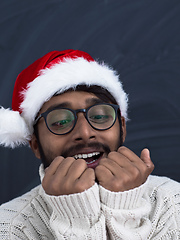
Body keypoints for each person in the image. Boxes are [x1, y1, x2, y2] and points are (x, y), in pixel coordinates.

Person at [0, 49, 179, 240]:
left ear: (122, 128)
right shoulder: (9, 228)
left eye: (100, 116)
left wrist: (125, 208)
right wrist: (78, 218)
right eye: (60, 121)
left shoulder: (173, 203)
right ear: (35, 144)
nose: (85, 133)